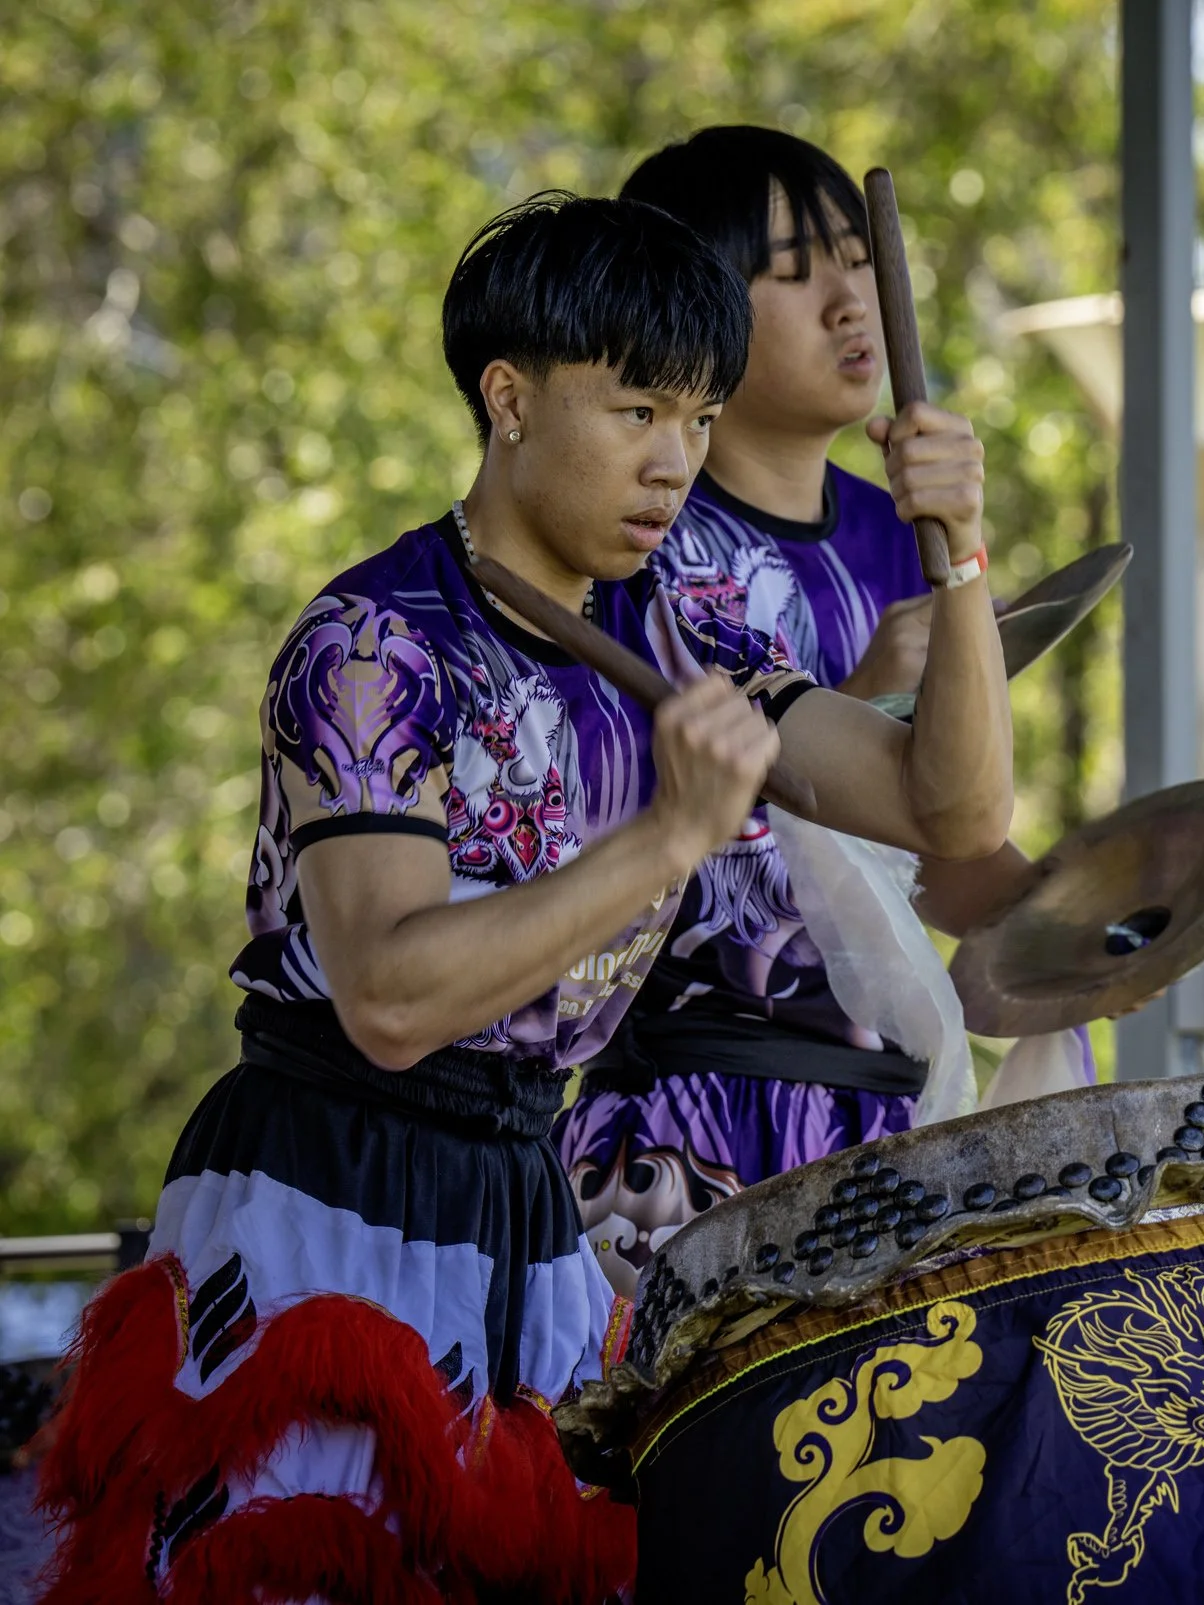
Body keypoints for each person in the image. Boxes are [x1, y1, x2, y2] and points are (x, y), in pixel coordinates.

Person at [35, 192, 1011, 1600]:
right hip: (330, 1183)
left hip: (527, 1196)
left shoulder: (681, 631)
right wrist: (666, 839)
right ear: (508, 398)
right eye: (634, 412)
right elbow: (387, 996)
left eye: (696, 417)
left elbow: (953, 806)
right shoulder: (375, 643)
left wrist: (957, 552)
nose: (675, 463)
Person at [552, 127, 1066, 1293]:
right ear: (689, 307)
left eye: (856, 258)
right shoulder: (644, 543)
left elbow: (953, 855)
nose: (851, 302)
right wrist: (862, 708)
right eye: (791, 270)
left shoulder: (905, 533)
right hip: (696, 1121)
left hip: (894, 1132)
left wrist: (1112, 913)